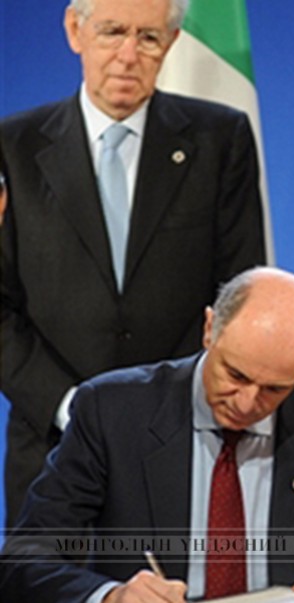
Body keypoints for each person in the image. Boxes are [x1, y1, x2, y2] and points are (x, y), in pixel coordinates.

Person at [0, 0, 266, 527]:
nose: (128, 55)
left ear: (171, 42)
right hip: (49, 446)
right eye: (112, 32)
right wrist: (69, 405)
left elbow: (236, 296)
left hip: (178, 443)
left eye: (147, 37)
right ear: (75, 30)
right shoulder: (12, 146)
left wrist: (176, 404)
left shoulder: (220, 140)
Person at [0, 267, 294, 602]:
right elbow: (26, 555)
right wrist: (111, 595)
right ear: (209, 329)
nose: (247, 403)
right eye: (235, 375)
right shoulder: (113, 411)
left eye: (275, 389)